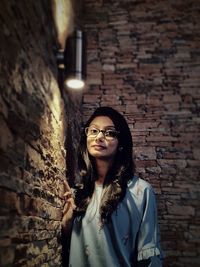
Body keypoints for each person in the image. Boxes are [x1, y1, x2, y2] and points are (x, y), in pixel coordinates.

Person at [62, 106, 163, 267]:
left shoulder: (141, 191)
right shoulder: (77, 193)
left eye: (109, 133)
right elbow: (70, 249)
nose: (99, 137)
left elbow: (149, 256)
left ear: (121, 143)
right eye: (94, 131)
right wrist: (67, 223)